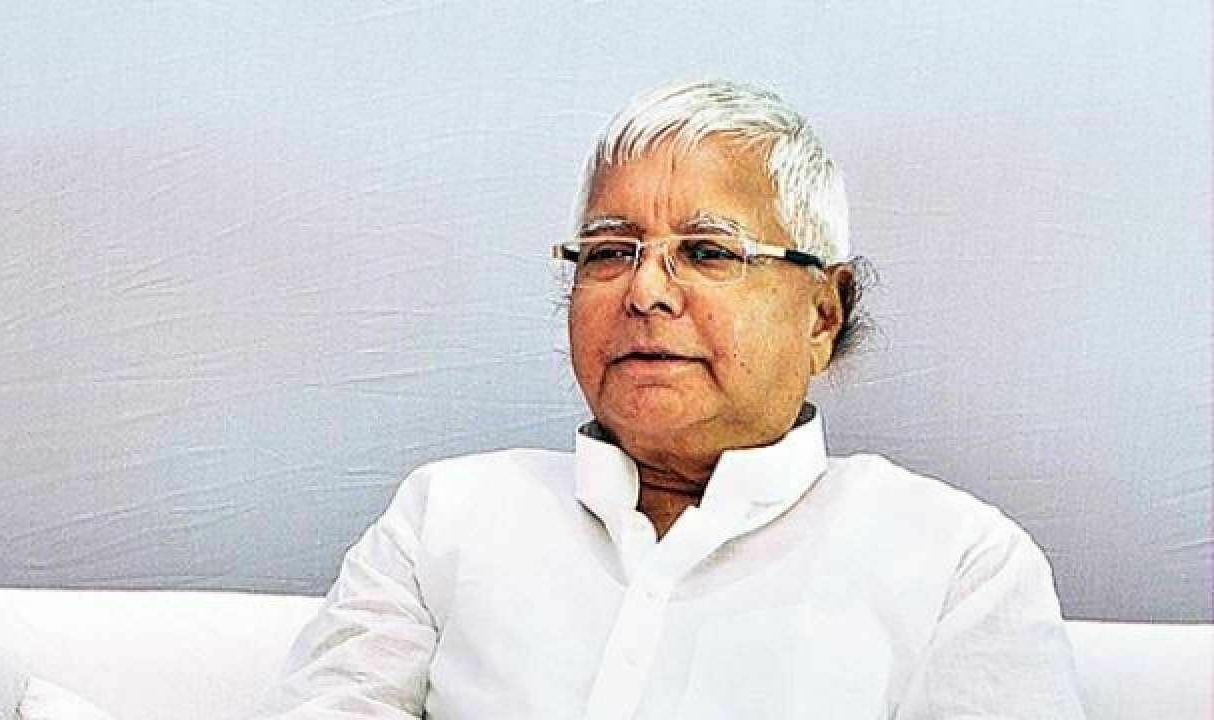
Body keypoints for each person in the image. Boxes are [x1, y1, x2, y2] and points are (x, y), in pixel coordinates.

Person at [252, 79, 1085, 719]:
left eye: (709, 252)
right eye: (609, 252)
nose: (646, 290)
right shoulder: (449, 517)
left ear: (822, 314)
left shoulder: (955, 563)